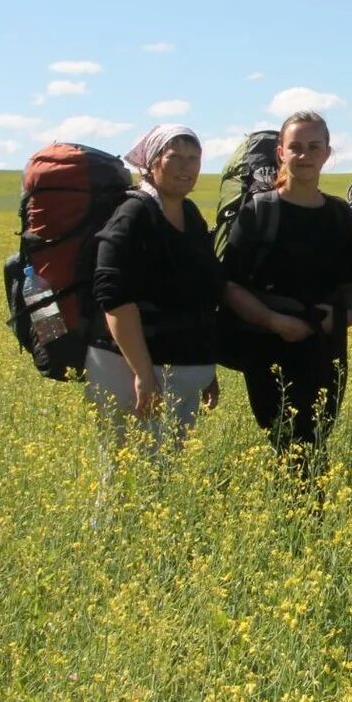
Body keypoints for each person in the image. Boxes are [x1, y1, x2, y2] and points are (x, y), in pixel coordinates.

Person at [220, 111, 352, 475]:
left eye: (314, 147)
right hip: (270, 349)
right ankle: (300, 522)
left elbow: (350, 284)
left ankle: (308, 524)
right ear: (280, 152)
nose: (304, 154)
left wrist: (342, 314)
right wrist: (274, 321)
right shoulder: (259, 212)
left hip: (325, 347)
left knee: (316, 440)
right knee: (286, 442)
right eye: (295, 147)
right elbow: (230, 284)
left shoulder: (340, 216)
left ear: (327, 153)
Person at [87, 125, 222, 455]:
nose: (186, 167)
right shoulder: (133, 215)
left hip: (179, 371)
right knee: (129, 481)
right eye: (174, 157)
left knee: (162, 481)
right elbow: (115, 300)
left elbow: (196, 297)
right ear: (152, 162)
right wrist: (143, 375)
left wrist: (205, 366)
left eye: (194, 158)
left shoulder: (189, 214)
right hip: (132, 373)